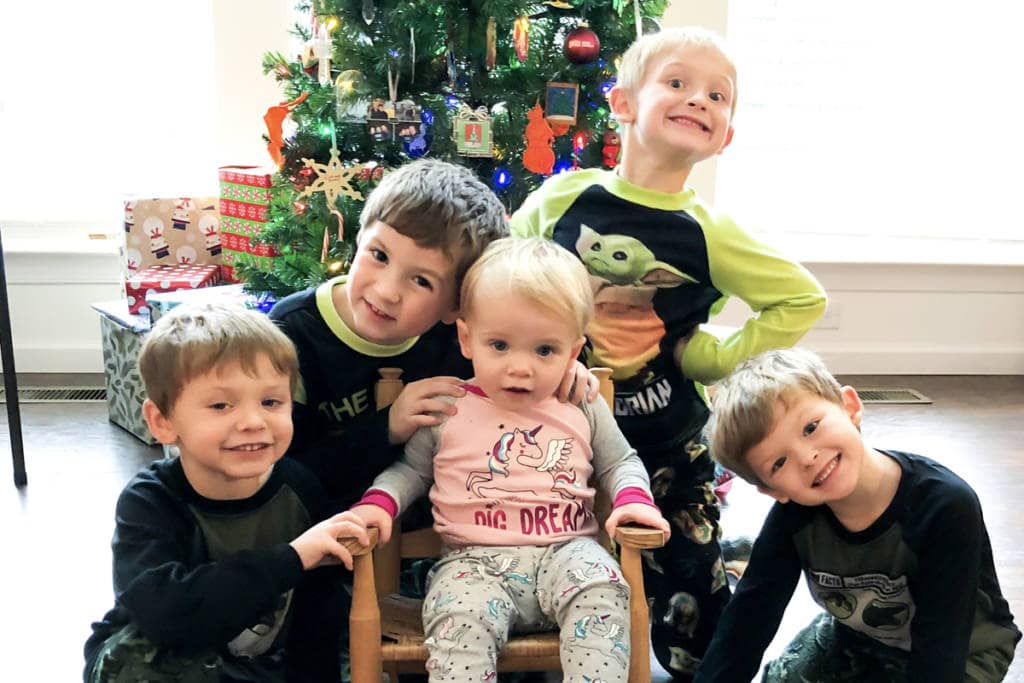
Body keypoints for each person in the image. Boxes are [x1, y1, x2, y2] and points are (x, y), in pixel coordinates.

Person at [510, 26, 827, 678]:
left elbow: (802, 298)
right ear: (624, 104)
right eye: (677, 83)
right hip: (551, 433)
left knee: (695, 578)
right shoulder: (564, 199)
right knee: (545, 566)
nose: (699, 100)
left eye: (718, 96)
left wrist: (708, 356)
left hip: (668, 440)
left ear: (726, 135)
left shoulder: (710, 233)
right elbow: (498, 275)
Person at [349, 237, 672, 682]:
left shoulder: (580, 402)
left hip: (566, 552)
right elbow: (411, 471)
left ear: (573, 353)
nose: (520, 367)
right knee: (459, 614)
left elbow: (620, 462)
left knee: (603, 584)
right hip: (472, 561)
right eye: (499, 345)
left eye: (544, 351)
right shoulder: (449, 406)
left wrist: (634, 500)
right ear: (467, 338)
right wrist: (377, 505)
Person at [270, 159, 595, 514]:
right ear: (360, 237)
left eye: (422, 281)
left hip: (450, 528)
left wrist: (565, 364)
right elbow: (281, 476)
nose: (387, 290)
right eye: (379, 255)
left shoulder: (458, 334)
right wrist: (387, 427)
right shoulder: (292, 332)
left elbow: (540, 326)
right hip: (328, 531)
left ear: (456, 307)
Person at [695, 348, 1021, 682]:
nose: (808, 457)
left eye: (810, 427)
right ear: (772, 490)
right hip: (862, 635)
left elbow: (942, 647)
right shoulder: (794, 515)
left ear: (849, 407)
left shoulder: (943, 505)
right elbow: (749, 618)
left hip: (963, 650)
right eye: (779, 463)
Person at [83, 303, 370, 682]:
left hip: (261, 667)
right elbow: (166, 616)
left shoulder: (298, 488)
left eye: (271, 402)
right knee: (138, 660)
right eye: (220, 405)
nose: (253, 422)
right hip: (166, 657)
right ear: (163, 421)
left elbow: (317, 614)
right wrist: (293, 558)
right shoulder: (150, 502)